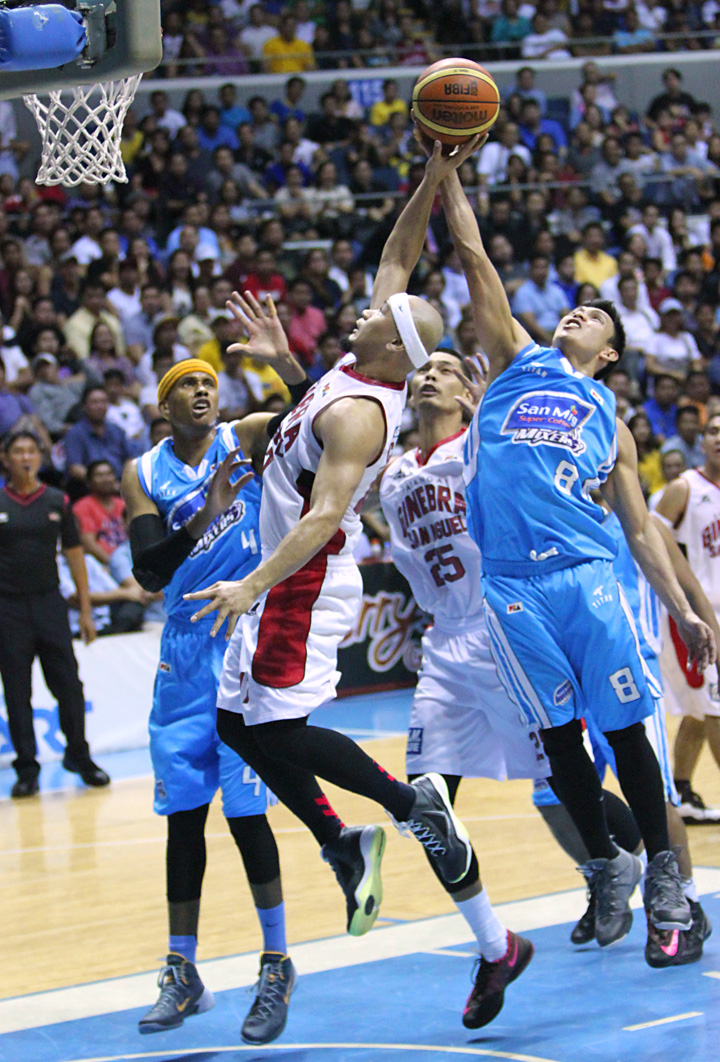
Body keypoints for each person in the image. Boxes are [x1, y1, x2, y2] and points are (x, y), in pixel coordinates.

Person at [185, 141, 483, 954]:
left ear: (397, 350)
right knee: (236, 725)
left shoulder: (362, 414)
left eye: (379, 315)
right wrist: (436, 173)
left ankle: (406, 804)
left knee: (274, 730)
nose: (363, 307)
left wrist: (251, 584)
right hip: (283, 574)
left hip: (301, 580)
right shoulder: (361, 359)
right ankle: (343, 843)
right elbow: (398, 252)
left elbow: (321, 518)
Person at [438, 159, 714, 962]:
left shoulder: (614, 421)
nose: (577, 314)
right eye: (575, 307)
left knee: (630, 733)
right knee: (557, 743)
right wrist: (447, 169)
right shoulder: (517, 362)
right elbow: (473, 256)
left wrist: (685, 610)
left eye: (594, 315)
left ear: (612, 352)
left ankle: (665, 875)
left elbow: (640, 532)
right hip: (512, 584)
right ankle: (605, 865)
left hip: (590, 578)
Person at [122, 350, 307, 1045]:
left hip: (243, 639)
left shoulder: (246, 434)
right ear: (164, 408)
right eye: (185, 387)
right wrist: (207, 513)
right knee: (183, 817)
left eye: (208, 382)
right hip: (183, 653)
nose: (201, 392)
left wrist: (282, 360)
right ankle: (183, 968)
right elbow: (147, 571)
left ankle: (276, 961)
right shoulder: (142, 471)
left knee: (247, 813)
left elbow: (315, 407)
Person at [378, 347, 543, 1027]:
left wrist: (489, 404)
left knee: (568, 791)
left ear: (469, 393)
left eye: (444, 368)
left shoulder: (484, 444)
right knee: (424, 808)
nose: (428, 375)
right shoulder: (392, 475)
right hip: (446, 642)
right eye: (422, 370)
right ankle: (496, 946)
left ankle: (649, 873)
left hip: (505, 633)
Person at [535, 504, 713, 965]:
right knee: (551, 793)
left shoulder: (641, 522)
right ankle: (607, 872)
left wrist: (708, 631)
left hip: (626, 667)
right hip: (567, 675)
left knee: (658, 795)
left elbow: (687, 583)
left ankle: (686, 908)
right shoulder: (551, 514)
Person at [0, 430, 109, 798]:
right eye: (18, 452)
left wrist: (85, 610)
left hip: (50, 604)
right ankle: (27, 769)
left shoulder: (56, 500)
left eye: (32, 451)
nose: (26, 457)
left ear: (40, 457)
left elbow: (75, 554)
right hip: (8, 608)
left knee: (69, 686)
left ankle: (79, 755)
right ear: (6, 458)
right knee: (17, 691)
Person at [655, 413, 720, 823]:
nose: (719, 437)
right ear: (703, 438)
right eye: (714, 430)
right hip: (698, 618)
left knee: (700, 711)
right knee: (715, 708)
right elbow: (649, 539)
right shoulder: (684, 489)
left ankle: (681, 790)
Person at [64, 385, 139, 483]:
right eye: (94, 402)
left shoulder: (117, 430)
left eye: (103, 402)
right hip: (90, 486)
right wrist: (103, 482)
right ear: (84, 406)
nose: (100, 406)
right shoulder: (74, 433)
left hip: (119, 483)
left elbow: (130, 458)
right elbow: (75, 468)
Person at [73, 459, 128, 564]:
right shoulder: (83, 506)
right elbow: (89, 544)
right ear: (89, 482)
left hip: (128, 560)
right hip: (102, 565)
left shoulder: (123, 504)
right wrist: (115, 566)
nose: (105, 479)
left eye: (109, 474)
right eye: (99, 475)